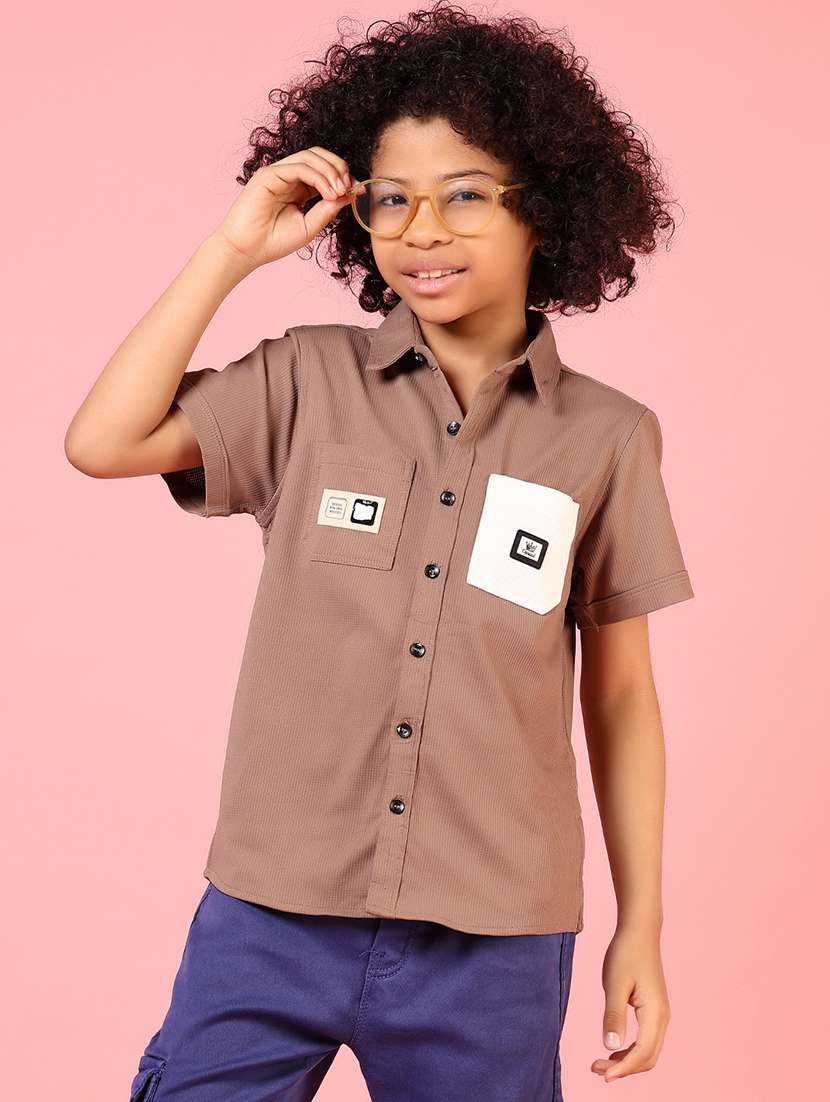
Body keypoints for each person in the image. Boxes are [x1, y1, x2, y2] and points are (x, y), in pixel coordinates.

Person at [65, 4, 694, 1099]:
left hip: (493, 936)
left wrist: (639, 924)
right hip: (271, 908)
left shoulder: (608, 437)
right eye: (391, 199)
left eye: (464, 194)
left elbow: (623, 694)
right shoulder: (303, 380)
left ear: (543, 206)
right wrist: (231, 251)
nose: (420, 229)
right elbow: (102, 442)